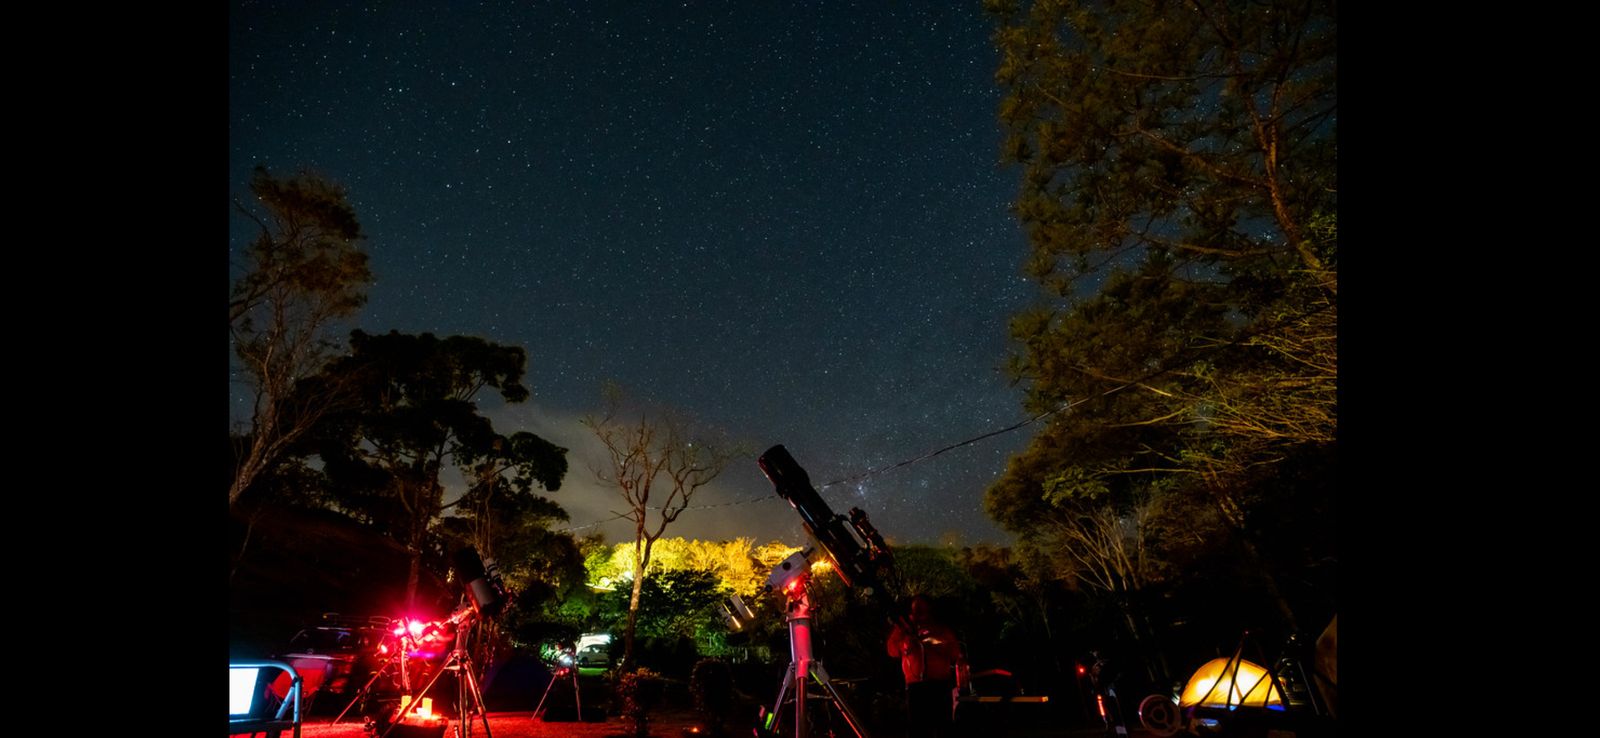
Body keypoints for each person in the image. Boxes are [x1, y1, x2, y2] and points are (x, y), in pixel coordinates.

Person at [886, 595, 964, 738]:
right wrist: (902, 633)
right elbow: (892, 651)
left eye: (921, 609)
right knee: (917, 728)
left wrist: (934, 644)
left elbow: (954, 652)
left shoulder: (941, 629)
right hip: (916, 686)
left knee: (942, 726)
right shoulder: (905, 630)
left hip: (939, 685)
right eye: (915, 610)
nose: (918, 614)